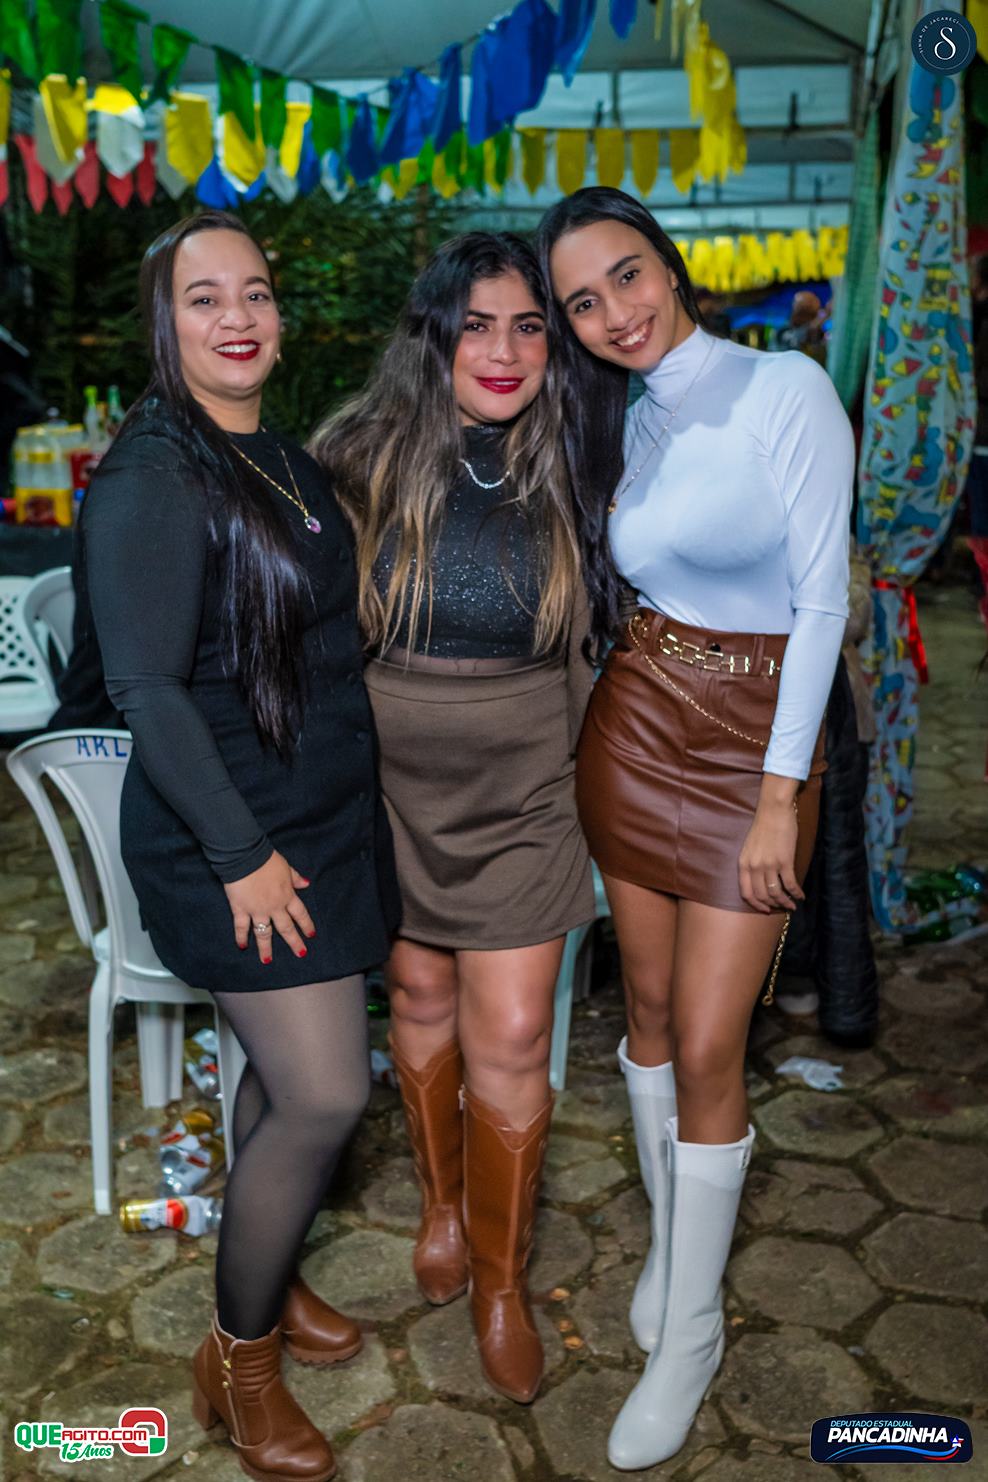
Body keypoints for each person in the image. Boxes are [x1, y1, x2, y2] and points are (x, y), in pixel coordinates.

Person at [536, 187, 852, 1470]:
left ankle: (693, 1335)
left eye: (627, 275)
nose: (614, 313)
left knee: (717, 1042)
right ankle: (674, 1257)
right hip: (638, 726)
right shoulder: (615, 421)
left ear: (669, 265)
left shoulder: (784, 390)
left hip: (755, 750)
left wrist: (781, 793)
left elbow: (822, 601)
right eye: (582, 302)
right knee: (652, 1016)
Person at [82, 210, 400, 1482]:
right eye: (204, 297)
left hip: (318, 819)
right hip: (234, 834)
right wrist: (239, 855)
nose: (238, 316)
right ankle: (239, 1366)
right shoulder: (153, 474)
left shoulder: (271, 450)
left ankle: (263, 1279)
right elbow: (147, 690)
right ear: (164, 325)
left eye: (256, 292)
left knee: (280, 1083)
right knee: (327, 1093)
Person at [311, 232, 594, 1406]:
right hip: (385, 789)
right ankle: (438, 1203)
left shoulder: (580, 458)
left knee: (514, 1032)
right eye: (476, 326)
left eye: (528, 326)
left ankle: (499, 1280)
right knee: (419, 1002)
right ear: (433, 339)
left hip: (528, 791)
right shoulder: (353, 458)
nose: (504, 349)